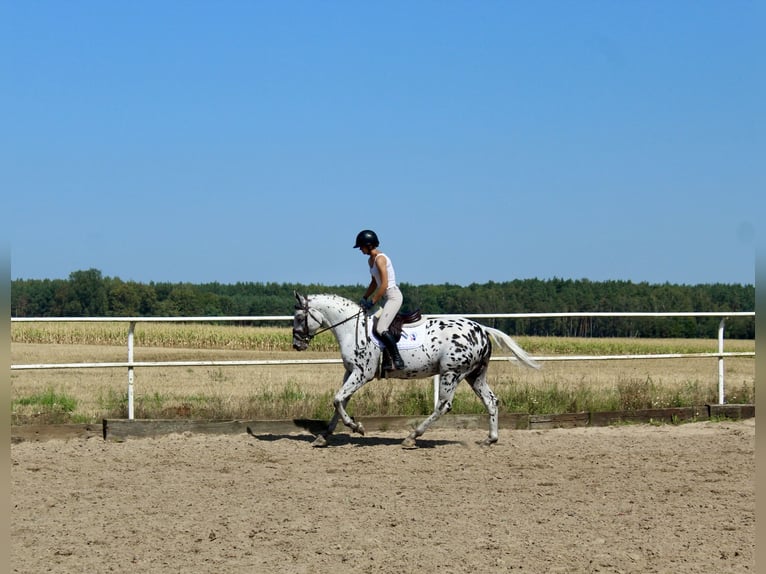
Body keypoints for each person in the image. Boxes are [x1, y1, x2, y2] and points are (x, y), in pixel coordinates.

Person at [354, 229, 405, 370]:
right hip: (385, 298)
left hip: (393, 296)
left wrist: (372, 301)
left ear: (369, 245)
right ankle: (387, 360)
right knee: (372, 324)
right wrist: (364, 297)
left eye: (361, 246)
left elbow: (384, 284)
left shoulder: (380, 258)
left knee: (381, 328)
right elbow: (374, 283)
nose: (360, 249)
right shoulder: (370, 261)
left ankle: (397, 359)